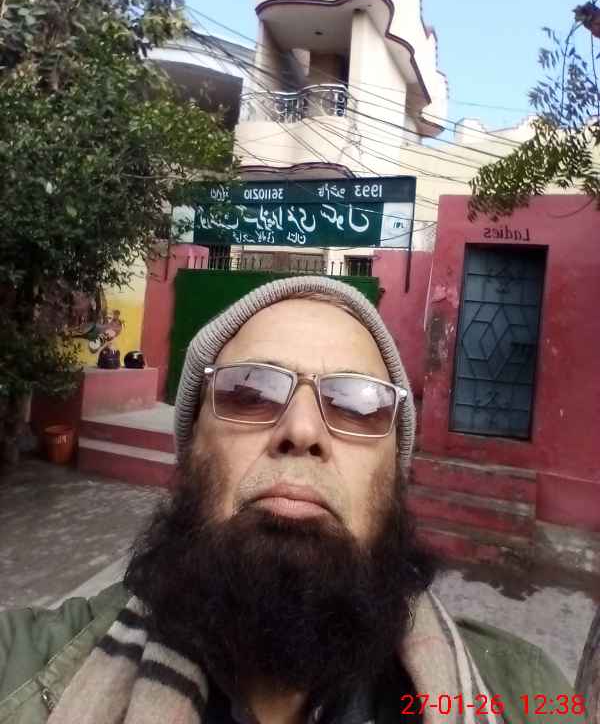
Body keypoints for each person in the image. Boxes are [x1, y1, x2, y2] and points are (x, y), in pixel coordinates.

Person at [0, 277, 577, 724]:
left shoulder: (529, 694)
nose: (301, 431)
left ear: (395, 475)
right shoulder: (22, 666)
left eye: (356, 404)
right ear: (192, 448)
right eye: (249, 391)